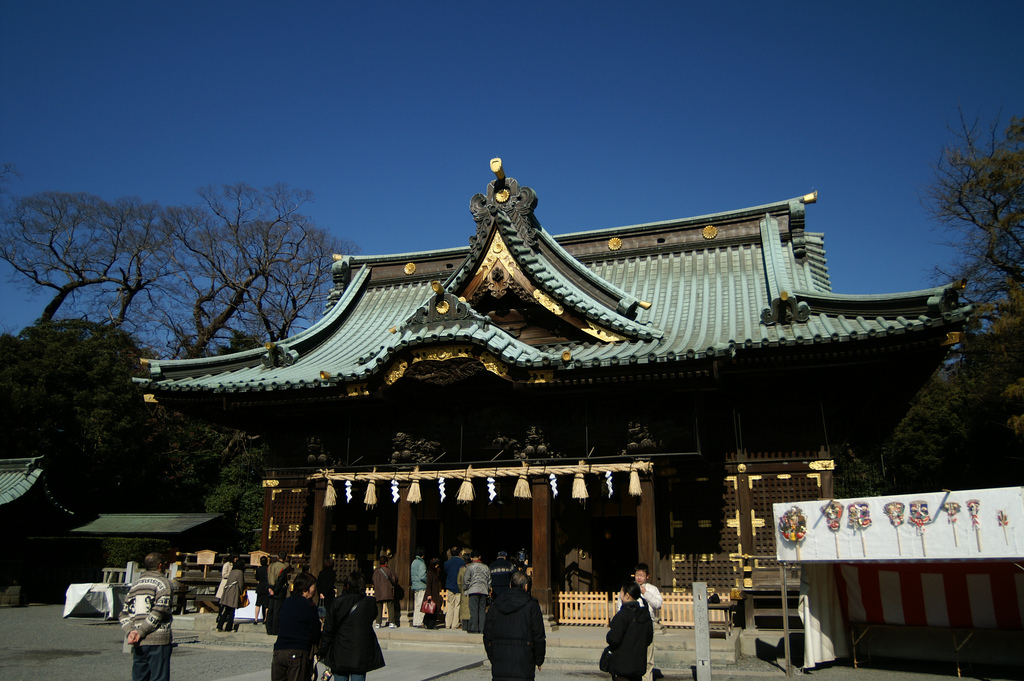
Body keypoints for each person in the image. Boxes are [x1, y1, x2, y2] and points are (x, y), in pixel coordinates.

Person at [320, 570, 386, 681]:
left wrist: (323, 650)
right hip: (360, 650)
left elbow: (328, 629)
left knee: (340, 677)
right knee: (358, 676)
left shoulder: (337, 602)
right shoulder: (370, 603)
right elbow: (372, 617)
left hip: (340, 650)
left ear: (347, 585)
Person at [120, 552, 173, 681]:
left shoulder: (136, 585)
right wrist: (141, 631)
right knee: (159, 677)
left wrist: (131, 631)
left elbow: (123, 613)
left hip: (137, 640)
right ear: (160, 566)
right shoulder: (163, 583)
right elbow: (159, 610)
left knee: (139, 676)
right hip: (157, 637)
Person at [483, 571, 545, 681]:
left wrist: (492, 655)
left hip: (500, 659)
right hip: (524, 660)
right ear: (526, 587)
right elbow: (538, 636)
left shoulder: (496, 605)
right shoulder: (531, 605)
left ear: (510, 585)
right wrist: (538, 659)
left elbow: (487, 634)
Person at [272, 571, 321, 681]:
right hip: (297, 650)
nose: (314, 590)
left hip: (279, 650)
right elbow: (315, 630)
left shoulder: (287, 602)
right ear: (305, 588)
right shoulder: (309, 606)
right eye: (313, 587)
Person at [605, 581, 653, 681]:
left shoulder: (622, 616)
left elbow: (614, 639)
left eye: (621, 593)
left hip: (622, 665)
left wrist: (609, 635)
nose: (620, 595)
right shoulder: (644, 615)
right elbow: (648, 639)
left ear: (627, 595)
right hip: (638, 665)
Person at [633, 563, 662, 681]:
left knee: (648, 654)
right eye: (637, 575)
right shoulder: (629, 587)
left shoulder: (652, 589)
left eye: (642, 575)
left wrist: (645, 593)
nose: (639, 577)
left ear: (647, 576)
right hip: (633, 624)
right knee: (633, 653)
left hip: (647, 624)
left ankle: (647, 678)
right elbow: (621, 605)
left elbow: (658, 604)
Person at [464, 550, 491, 633]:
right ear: (480, 557)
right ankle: (482, 628)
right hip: (483, 590)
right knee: (482, 610)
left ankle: (474, 628)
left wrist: (465, 589)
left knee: (474, 610)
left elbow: (466, 580)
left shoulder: (470, 567)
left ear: (471, 558)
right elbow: (489, 580)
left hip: (473, 590)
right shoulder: (486, 567)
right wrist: (488, 589)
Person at [217, 558, 246, 632]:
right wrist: (242, 591)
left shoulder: (232, 571)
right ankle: (228, 627)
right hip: (234, 591)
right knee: (232, 611)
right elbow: (241, 584)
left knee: (226, 610)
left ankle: (219, 626)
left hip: (227, 591)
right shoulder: (240, 572)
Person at [372, 552, 399, 629]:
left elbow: (373, 581)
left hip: (379, 591)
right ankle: (391, 622)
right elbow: (395, 579)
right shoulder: (389, 571)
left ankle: (378, 622)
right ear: (386, 563)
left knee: (379, 607)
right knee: (390, 606)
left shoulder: (376, 572)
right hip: (388, 591)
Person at [265, 552, 289, 635]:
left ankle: (269, 628)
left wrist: (269, 588)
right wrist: (275, 590)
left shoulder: (270, 566)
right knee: (277, 611)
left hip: (270, 588)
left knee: (270, 610)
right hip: (278, 591)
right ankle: (275, 629)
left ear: (278, 556)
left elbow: (266, 577)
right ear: (285, 558)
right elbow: (280, 581)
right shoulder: (283, 567)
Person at [443, 545, 465, 629]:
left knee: (450, 605)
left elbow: (445, 572)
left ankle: (448, 623)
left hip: (450, 585)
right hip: (459, 586)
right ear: (459, 553)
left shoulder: (447, 563)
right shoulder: (462, 563)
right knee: (457, 605)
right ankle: (455, 624)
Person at [410, 547, 427, 627]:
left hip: (415, 585)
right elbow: (422, 576)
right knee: (420, 605)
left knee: (416, 604)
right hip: (421, 585)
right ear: (422, 555)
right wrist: (428, 581)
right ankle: (419, 622)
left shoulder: (413, 562)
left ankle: (415, 621)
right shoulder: (421, 564)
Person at [424, 557, 442, 630]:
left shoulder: (436, 572)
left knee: (434, 609)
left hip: (435, 593)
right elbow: (429, 584)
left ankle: (429, 623)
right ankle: (429, 624)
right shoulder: (431, 572)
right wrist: (429, 594)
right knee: (431, 609)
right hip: (431, 593)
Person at [255, 555, 270, 625]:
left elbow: (257, 578)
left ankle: (256, 619)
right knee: (267, 605)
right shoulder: (268, 568)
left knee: (258, 604)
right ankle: (265, 619)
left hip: (260, 586)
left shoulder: (258, 569)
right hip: (267, 586)